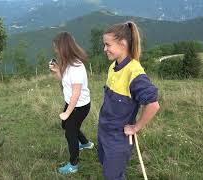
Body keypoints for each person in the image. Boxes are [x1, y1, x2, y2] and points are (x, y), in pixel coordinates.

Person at [98, 21, 160, 179]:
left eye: (107, 44)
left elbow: (153, 104)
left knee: (113, 176)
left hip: (118, 138)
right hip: (104, 131)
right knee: (107, 168)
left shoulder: (135, 73)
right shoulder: (113, 67)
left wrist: (136, 127)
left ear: (123, 43)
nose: (105, 49)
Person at [49, 32, 94, 174]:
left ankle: (73, 165)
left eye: (56, 48)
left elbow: (76, 92)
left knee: (70, 133)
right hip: (73, 104)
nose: (55, 50)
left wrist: (67, 112)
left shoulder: (76, 67)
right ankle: (86, 144)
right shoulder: (69, 64)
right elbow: (65, 81)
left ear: (63, 48)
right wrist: (57, 71)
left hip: (78, 107)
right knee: (67, 125)